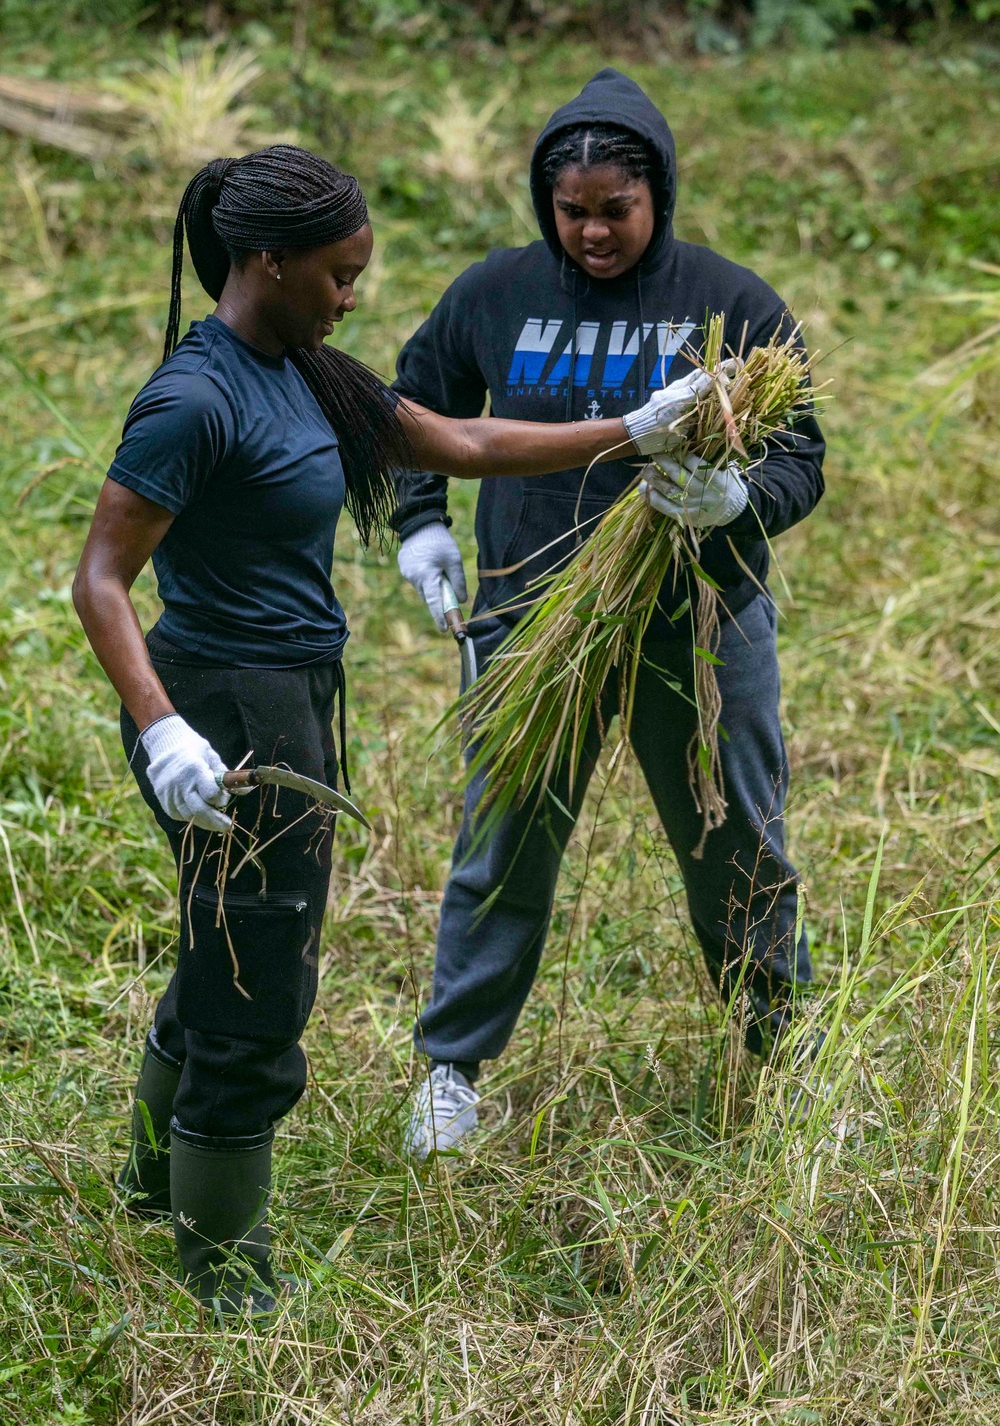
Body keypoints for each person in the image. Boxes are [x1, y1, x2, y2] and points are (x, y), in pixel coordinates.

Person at [72, 144, 689, 1318]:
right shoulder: (193, 398)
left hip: (294, 694)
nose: (353, 293)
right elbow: (100, 581)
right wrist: (161, 732)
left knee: (230, 935)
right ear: (268, 261)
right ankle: (221, 1262)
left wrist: (632, 430)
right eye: (340, 272)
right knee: (258, 970)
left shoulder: (306, 368)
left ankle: (156, 1179)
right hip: (223, 707)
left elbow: (457, 442)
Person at [392, 69, 826, 1158]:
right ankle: (452, 1069)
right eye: (570, 210)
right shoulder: (489, 294)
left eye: (613, 211)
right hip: (534, 622)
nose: (590, 230)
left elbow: (803, 458)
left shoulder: (733, 306)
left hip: (699, 623)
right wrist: (419, 524)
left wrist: (740, 499)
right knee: (504, 843)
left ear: (658, 194)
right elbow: (414, 403)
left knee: (736, 838)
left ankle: (783, 1047)